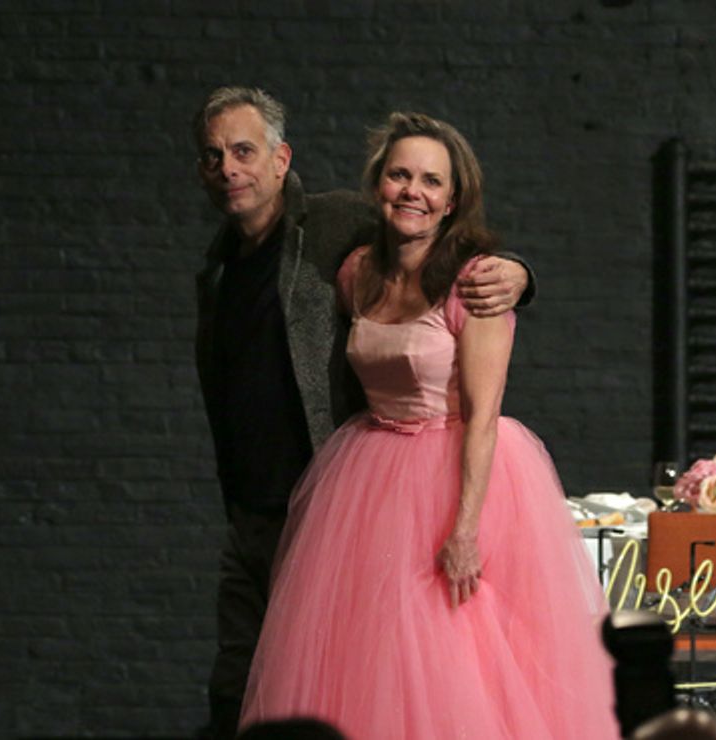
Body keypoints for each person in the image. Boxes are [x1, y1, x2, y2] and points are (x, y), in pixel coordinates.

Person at [238, 112, 619, 739]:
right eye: (399, 175)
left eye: (431, 181)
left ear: (452, 200)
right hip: (367, 472)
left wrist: (465, 527)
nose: (413, 191)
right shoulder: (356, 270)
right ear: (378, 184)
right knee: (367, 657)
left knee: (455, 657)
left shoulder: (477, 282)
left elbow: (483, 416)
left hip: (454, 474)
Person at [191, 87, 533, 740]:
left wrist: (518, 271)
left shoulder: (331, 225)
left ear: (280, 158)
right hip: (284, 505)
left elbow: (453, 251)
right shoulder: (225, 268)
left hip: (352, 488)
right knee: (248, 688)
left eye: (243, 151)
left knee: (412, 672)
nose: (229, 168)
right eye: (213, 157)